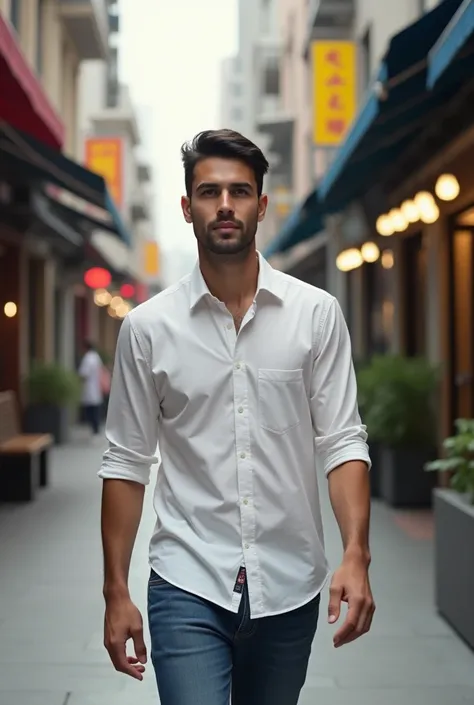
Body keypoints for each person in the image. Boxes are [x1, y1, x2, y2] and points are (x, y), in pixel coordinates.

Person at [98, 129, 375, 705]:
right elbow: (126, 461)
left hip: (290, 581)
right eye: (209, 192)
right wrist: (116, 590)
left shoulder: (316, 316)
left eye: (240, 192)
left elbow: (343, 440)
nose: (225, 206)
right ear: (186, 207)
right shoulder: (148, 329)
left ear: (262, 205)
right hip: (187, 577)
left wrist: (356, 553)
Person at [78, 340, 103, 436]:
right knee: (95, 409)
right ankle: (96, 430)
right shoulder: (96, 357)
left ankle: (95, 430)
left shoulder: (88, 358)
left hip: (89, 387)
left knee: (91, 411)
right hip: (95, 386)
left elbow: (84, 374)